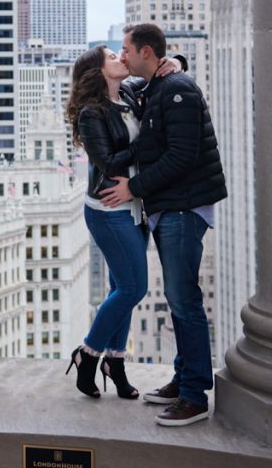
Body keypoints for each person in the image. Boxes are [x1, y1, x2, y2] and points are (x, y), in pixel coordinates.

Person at [100, 23, 227, 426]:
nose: (122, 57)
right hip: (169, 206)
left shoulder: (176, 90)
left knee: (184, 300)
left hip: (183, 209)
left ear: (147, 53)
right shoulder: (157, 86)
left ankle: (193, 396)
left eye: (126, 50)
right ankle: (183, 378)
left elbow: (182, 156)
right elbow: (145, 135)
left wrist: (132, 187)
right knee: (178, 299)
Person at [64, 45, 179, 399]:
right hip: (108, 210)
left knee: (120, 290)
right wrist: (146, 141)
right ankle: (88, 353)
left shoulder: (128, 93)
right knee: (132, 289)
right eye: (112, 57)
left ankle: (115, 362)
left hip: (135, 206)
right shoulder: (90, 113)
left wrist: (177, 63)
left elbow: (157, 82)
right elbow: (109, 160)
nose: (121, 59)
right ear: (99, 72)